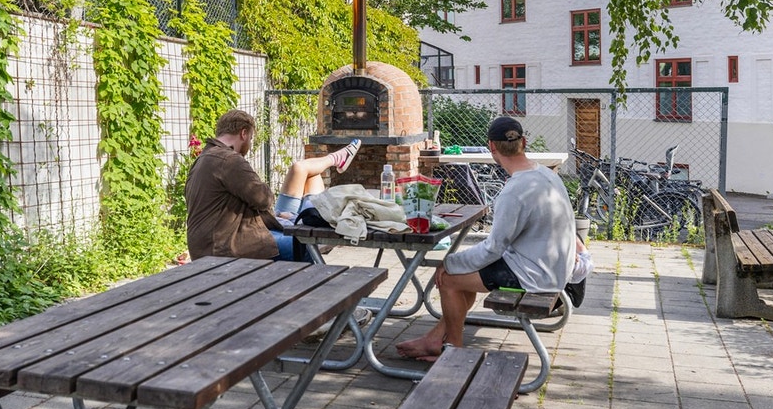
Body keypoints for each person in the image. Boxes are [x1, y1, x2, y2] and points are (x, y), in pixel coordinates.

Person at [395, 115, 576, 362]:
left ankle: (454, 353)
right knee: (462, 277)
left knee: (449, 279)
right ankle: (436, 338)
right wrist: (458, 262)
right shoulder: (547, 175)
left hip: (535, 275)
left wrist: (448, 262)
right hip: (552, 266)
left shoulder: (514, 192)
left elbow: (493, 248)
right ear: (523, 141)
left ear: (491, 147)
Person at [185, 108, 360, 262]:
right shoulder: (229, 160)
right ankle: (315, 294)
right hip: (227, 247)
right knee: (304, 247)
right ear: (243, 134)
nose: (250, 144)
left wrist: (273, 215)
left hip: (214, 244)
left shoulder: (205, 158)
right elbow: (264, 198)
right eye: (251, 138)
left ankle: (313, 227)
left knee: (307, 174)